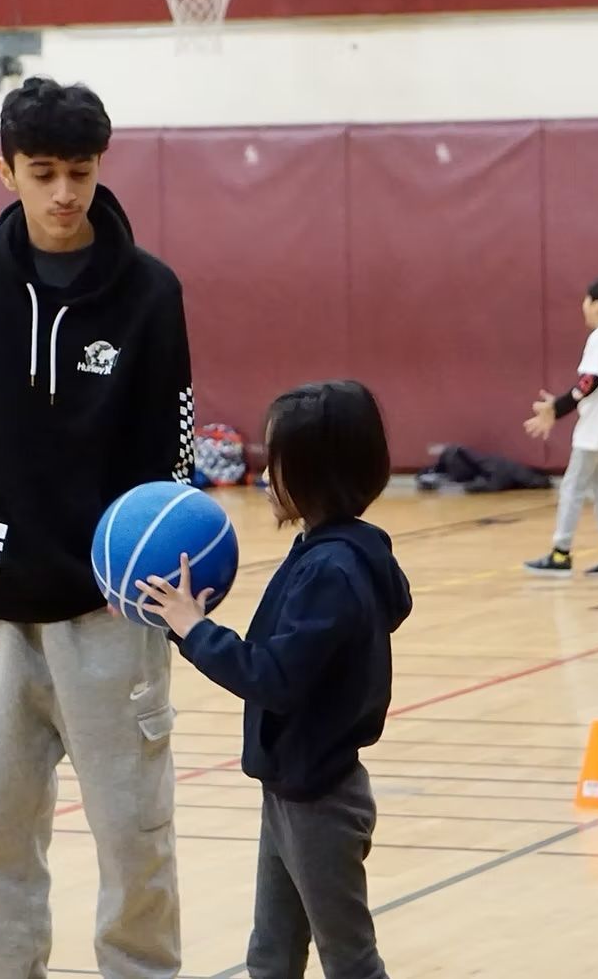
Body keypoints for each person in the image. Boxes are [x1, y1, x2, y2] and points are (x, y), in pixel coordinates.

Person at [0, 77, 194, 979]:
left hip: (113, 617)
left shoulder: (151, 293)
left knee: (134, 840)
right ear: (9, 172)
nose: (65, 192)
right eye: (44, 172)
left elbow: (172, 454)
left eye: (80, 171)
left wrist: (160, 586)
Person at [138, 380, 410, 979]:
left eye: (276, 463)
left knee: (351, 962)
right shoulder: (328, 552)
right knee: (272, 953)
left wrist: (194, 631)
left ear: (315, 473)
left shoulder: (333, 572)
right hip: (293, 789)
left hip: (321, 802)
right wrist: (169, 618)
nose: (263, 476)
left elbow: (274, 676)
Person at [523, 276, 598, 576]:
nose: (583, 307)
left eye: (586, 301)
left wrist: (557, 407)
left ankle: (560, 554)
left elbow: (590, 381)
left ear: (597, 305)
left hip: (597, 430)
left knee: (573, 487)